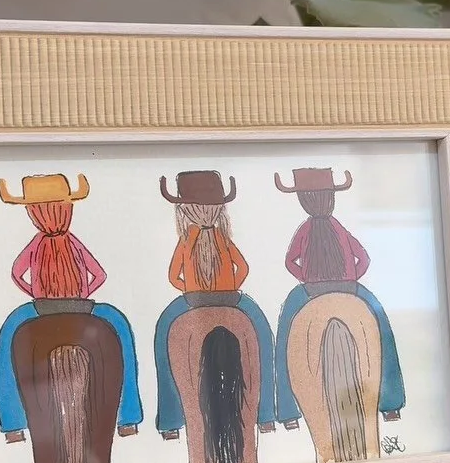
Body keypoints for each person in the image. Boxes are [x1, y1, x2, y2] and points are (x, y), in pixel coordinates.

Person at [0, 173, 142, 446]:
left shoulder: (36, 243)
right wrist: (83, 294)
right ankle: (128, 418)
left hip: (40, 308)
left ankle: (13, 425)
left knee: (8, 339)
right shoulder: (73, 241)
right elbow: (100, 275)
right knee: (120, 327)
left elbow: (16, 273)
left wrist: (34, 293)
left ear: (34, 213)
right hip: (83, 306)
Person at [273, 168, 405, 425]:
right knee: (382, 330)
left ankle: (288, 412)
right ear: (331, 198)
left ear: (304, 200)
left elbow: (290, 262)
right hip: (350, 287)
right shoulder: (338, 227)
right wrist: (350, 279)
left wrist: (307, 279)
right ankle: (390, 404)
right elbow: (363, 258)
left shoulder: (305, 229)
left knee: (285, 337)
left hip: (310, 291)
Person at [154, 170, 276, 436]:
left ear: (185, 210)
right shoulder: (222, 237)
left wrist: (190, 290)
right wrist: (231, 286)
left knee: (164, 331)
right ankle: (266, 414)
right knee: (263, 335)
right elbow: (243, 268)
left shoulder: (186, 240)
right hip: (231, 298)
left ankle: (171, 421)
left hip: (193, 300)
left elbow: (173, 277)